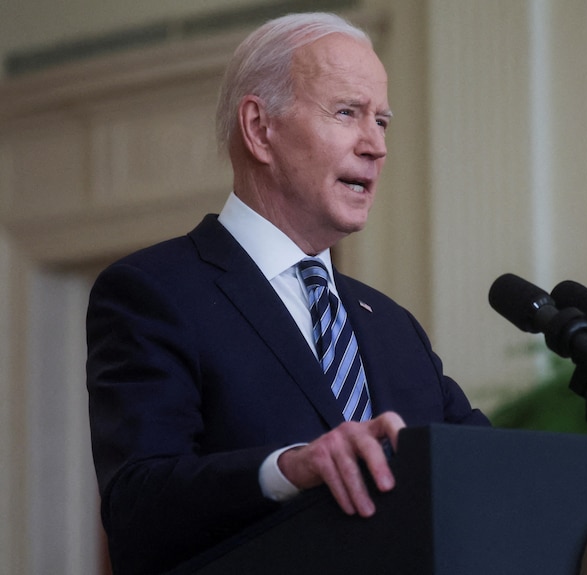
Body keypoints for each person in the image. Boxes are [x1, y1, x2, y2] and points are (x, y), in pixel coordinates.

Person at [86, 12, 490, 575]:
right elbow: (137, 509)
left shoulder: (393, 326)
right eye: (347, 113)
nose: (376, 145)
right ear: (259, 128)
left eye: (383, 121)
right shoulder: (154, 292)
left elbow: (486, 471)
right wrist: (290, 469)